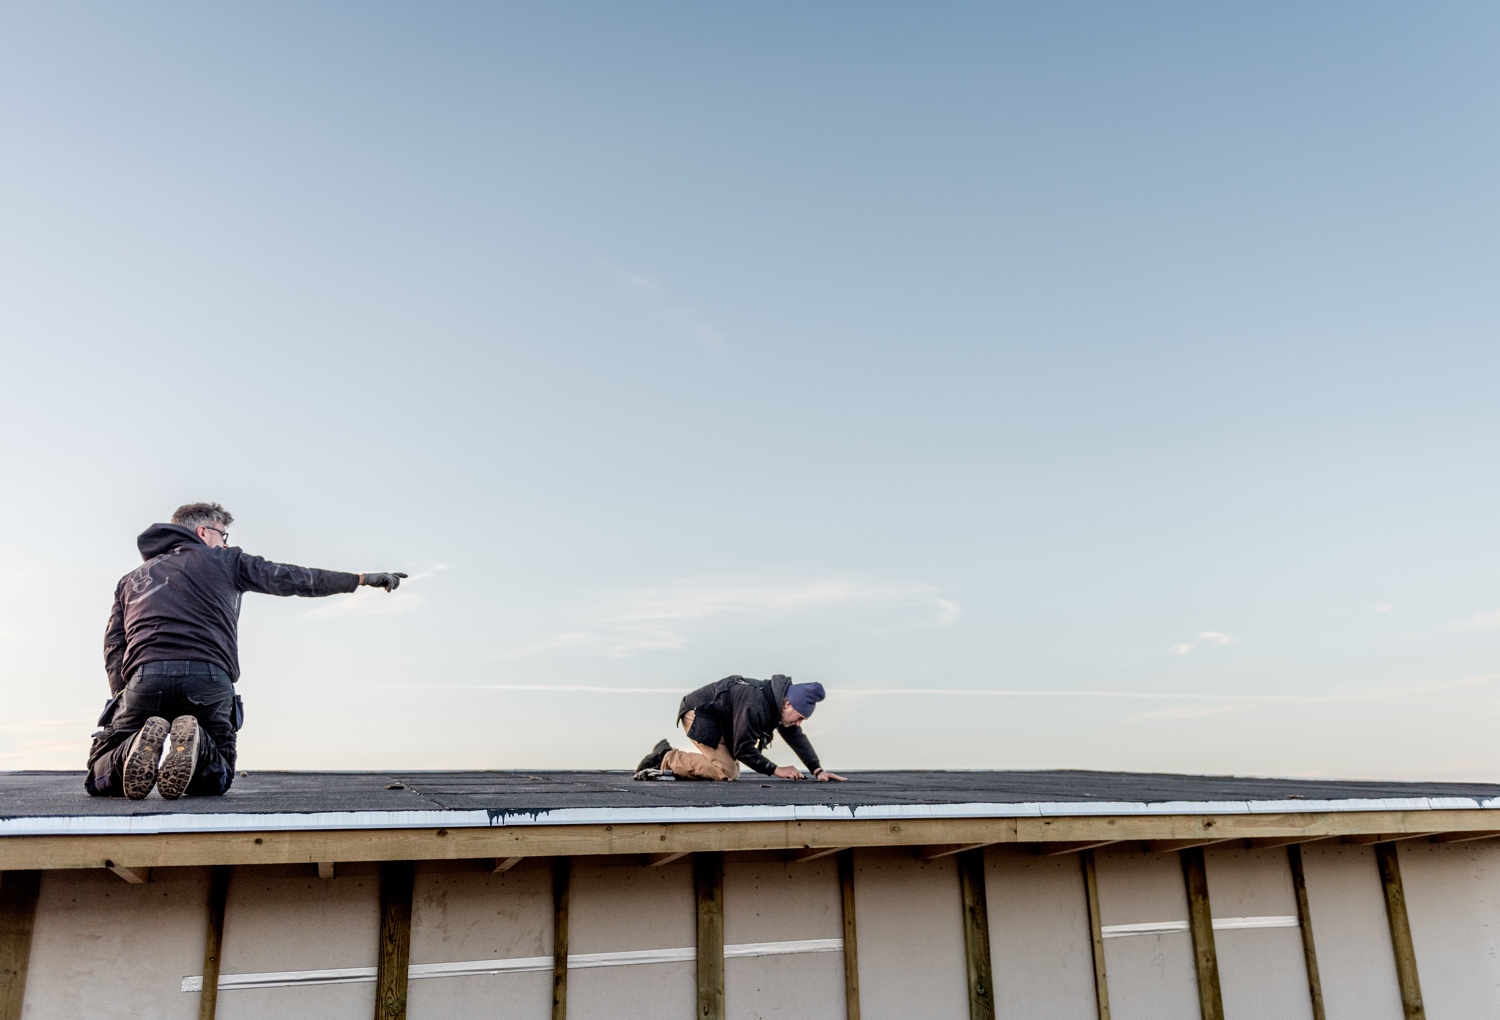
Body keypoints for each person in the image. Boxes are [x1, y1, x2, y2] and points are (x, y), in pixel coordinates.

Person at [86, 502, 407, 800]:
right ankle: (198, 745)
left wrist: (125, 696)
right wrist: (361, 579)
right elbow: (295, 579)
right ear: (202, 532)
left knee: (99, 773)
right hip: (209, 681)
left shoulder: (130, 580)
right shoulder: (229, 561)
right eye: (222, 535)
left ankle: (129, 751)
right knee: (218, 776)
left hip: (146, 679)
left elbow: (114, 644)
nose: (225, 543)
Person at [635, 674, 846, 782]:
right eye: (799, 718)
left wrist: (817, 770)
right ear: (788, 704)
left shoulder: (775, 702)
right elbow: (742, 749)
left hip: (719, 721)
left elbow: (794, 735)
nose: (799, 723)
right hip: (698, 713)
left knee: (730, 770)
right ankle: (664, 758)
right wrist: (776, 770)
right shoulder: (755, 703)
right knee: (727, 771)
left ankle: (672, 762)